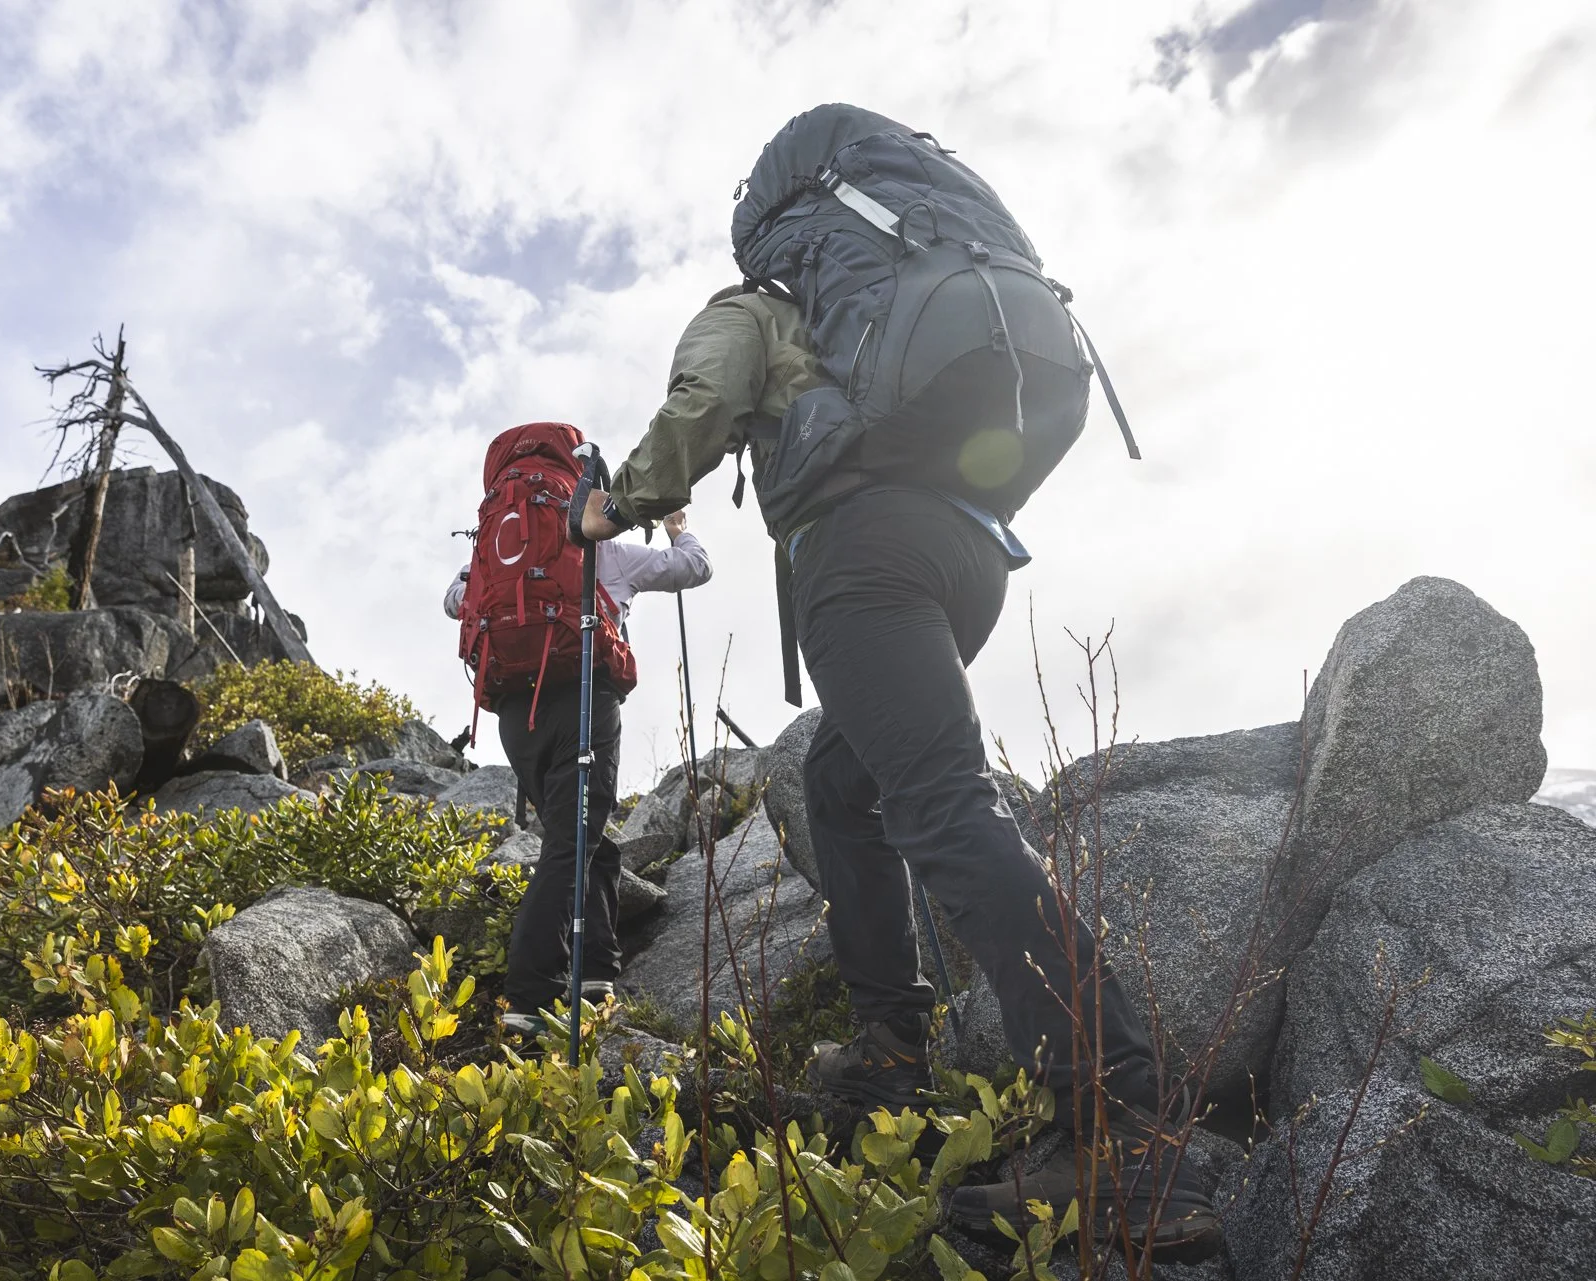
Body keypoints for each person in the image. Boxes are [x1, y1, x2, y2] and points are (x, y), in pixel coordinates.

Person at [573, 280, 1219, 1253]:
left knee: (941, 809)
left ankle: (1124, 1126)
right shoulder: (871, 307)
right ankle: (890, 1050)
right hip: (966, 551)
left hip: (865, 551)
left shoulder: (749, 310)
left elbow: (701, 402)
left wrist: (613, 506)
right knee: (840, 787)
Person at [446, 509, 710, 1035]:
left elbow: (454, 602)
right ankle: (529, 994)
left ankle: (595, 970)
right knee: (572, 842)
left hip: (516, 716)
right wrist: (680, 527)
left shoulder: (502, 550)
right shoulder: (605, 550)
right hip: (582, 699)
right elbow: (694, 567)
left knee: (586, 838)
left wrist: (482, 565)